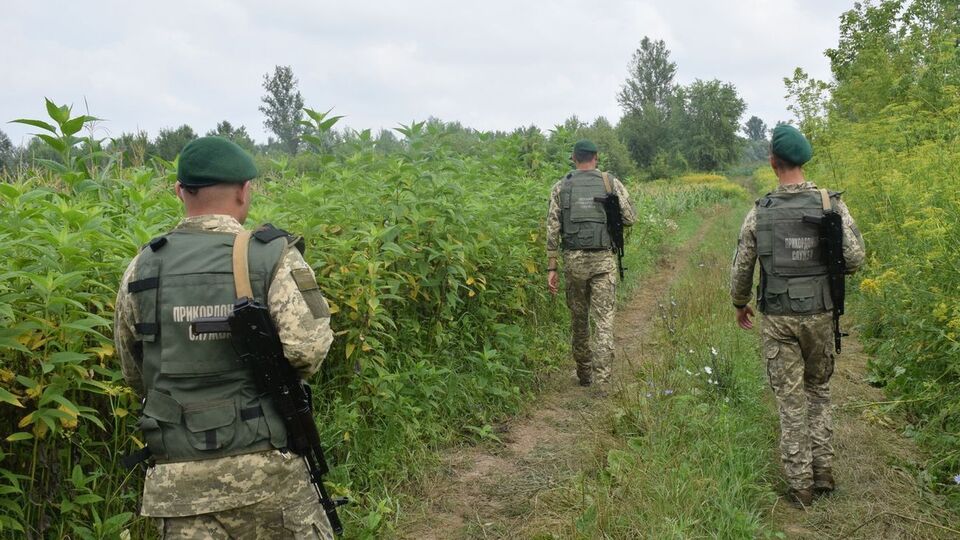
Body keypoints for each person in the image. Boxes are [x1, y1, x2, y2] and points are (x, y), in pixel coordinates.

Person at [113, 136, 336, 538]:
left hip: (178, 484)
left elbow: (133, 372)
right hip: (268, 474)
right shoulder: (272, 256)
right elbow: (308, 350)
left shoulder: (141, 267)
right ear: (244, 191)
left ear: (180, 191)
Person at [730, 125, 865, 509]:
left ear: (773, 162)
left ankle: (800, 486)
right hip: (820, 314)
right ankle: (823, 473)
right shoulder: (830, 205)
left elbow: (742, 267)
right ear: (804, 160)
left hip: (779, 318)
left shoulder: (760, 212)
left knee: (790, 402)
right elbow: (855, 258)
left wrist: (740, 302)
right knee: (818, 391)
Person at [545, 139, 637, 386]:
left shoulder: (561, 187)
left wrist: (551, 268)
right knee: (604, 319)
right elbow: (629, 218)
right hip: (603, 260)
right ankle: (603, 378)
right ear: (596, 157)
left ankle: (584, 374)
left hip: (573, 261)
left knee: (578, 319)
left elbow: (552, 229)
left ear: (574, 158)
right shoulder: (610, 182)